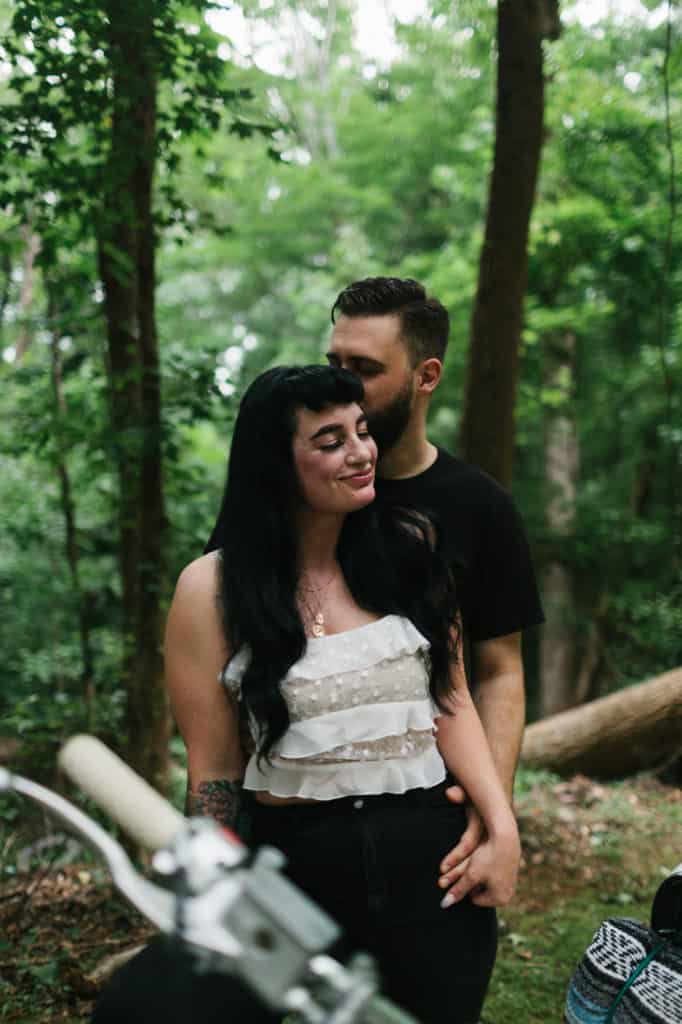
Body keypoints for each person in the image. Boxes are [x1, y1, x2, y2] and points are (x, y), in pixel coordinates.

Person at [98, 364, 520, 1024]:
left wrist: (501, 826)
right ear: (275, 463)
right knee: (144, 1009)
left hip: (429, 861)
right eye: (330, 441)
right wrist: (205, 885)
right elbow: (213, 768)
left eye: (361, 431)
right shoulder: (210, 591)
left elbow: (454, 701)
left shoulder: (411, 550)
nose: (361, 453)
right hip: (294, 861)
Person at [206, 277, 544, 891]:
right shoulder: (280, 503)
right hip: (294, 831)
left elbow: (496, 672)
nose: (340, 380)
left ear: (426, 376)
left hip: (428, 817)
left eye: (363, 368)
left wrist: (490, 809)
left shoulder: (478, 506)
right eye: (334, 360)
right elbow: (229, 668)